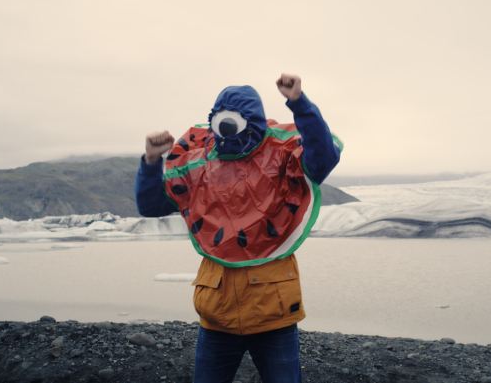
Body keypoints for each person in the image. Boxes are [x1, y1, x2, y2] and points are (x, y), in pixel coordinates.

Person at [134, 73, 341, 383]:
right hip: (217, 317)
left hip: (274, 316)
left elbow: (322, 157)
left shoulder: (281, 155)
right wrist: (151, 162)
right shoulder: (199, 162)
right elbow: (151, 206)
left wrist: (299, 103)